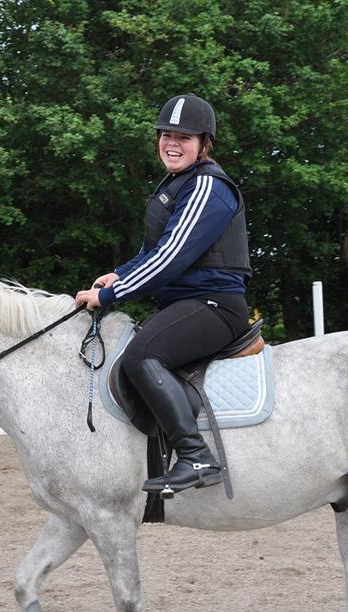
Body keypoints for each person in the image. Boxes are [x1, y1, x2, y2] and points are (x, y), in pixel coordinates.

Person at [75, 93, 251, 496]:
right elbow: (153, 252)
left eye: (184, 137)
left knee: (142, 355)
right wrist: (116, 275)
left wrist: (113, 296)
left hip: (214, 306)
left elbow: (171, 257)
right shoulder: (176, 184)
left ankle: (197, 456)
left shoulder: (208, 185)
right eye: (166, 134)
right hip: (186, 303)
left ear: (204, 143)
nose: (172, 143)